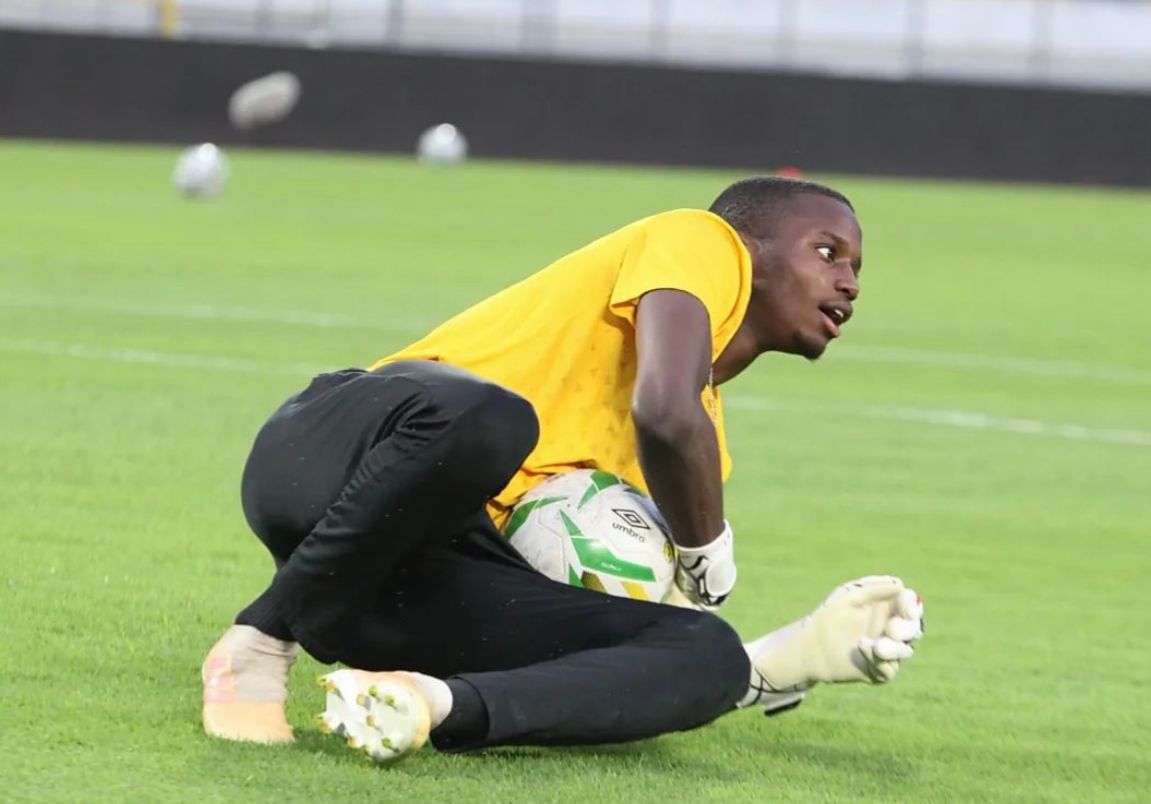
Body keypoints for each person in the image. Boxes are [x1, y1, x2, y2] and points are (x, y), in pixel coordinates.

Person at [201, 177, 925, 762]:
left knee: (702, 651)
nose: (850, 283)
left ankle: (424, 704)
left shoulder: (698, 453)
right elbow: (665, 413)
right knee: (496, 419)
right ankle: (261, 640)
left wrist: (782, 660)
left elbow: (637, 632)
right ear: (752, 249)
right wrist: (707, 541)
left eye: (857, 268)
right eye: (828, 252)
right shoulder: (698, 241)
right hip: (336, 455)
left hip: (402, 577)